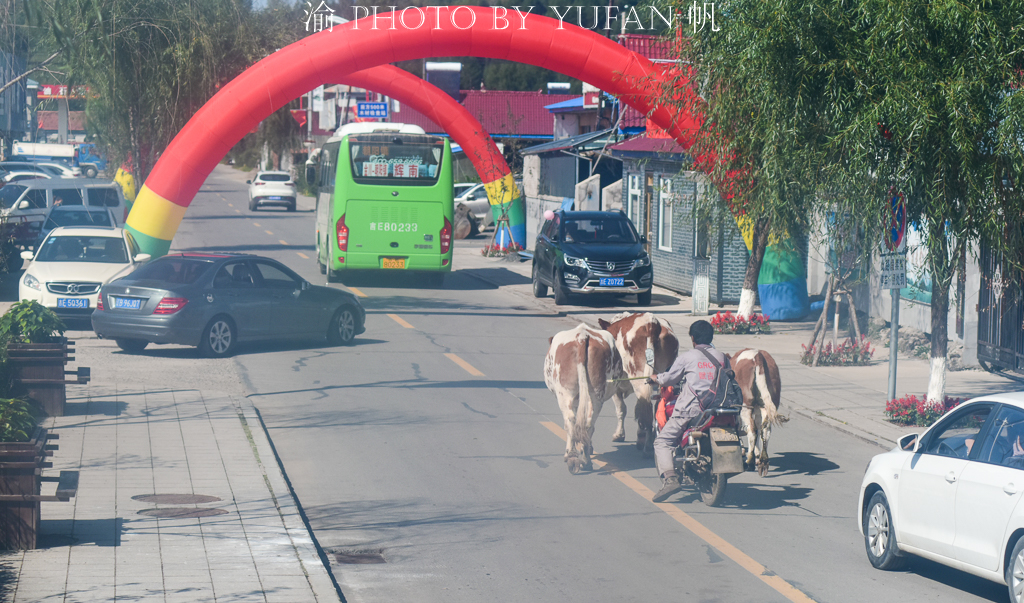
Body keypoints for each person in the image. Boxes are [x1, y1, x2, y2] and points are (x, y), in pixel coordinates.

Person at [648, 319, 730, 503]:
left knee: (662, 442)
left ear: (693, 338)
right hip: (719, 410)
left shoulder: (687, 357)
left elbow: (669, 378)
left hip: (691, 411)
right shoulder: (723, 357)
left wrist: (655, 378)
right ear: (711, 337)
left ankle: (670, 479)